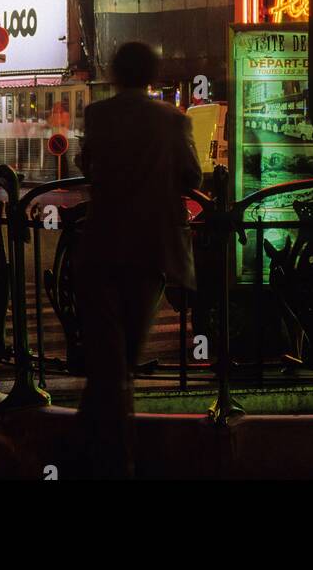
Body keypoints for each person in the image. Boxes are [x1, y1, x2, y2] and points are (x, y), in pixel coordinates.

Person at [75, 42, 202, 479]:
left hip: (101, 245)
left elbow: (88, 164)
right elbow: (192, 176)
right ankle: (111, 458)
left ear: (114, 73)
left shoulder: (98, 115)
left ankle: (94, 453)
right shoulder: (174, 121)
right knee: (123, 359)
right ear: (152, 75)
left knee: (107, 362)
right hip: (150, 251)